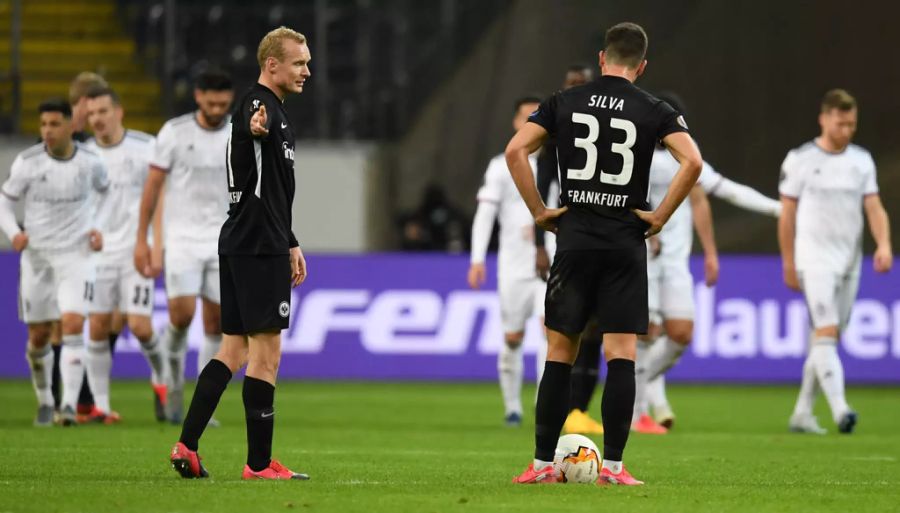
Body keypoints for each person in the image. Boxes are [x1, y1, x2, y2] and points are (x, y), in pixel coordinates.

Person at [505, 22, 702, 485]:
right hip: (624, 244)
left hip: (574, 239)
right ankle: (614, 466)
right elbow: (692, 161)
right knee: (621, 354)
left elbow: (516, 151)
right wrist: (659, 217)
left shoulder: (564, 101)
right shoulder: (655, 109)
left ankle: (540, 466)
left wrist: (539, 210)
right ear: (643, 64)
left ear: (601, 59)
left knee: (559, 351)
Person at [168, 26, 311, 480]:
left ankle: (186, 445)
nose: (307, 70)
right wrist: (255, 126)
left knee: (232, 349)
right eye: (298, 63)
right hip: (257, 246)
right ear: (272, 65)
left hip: (243, 241)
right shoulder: (260, 105)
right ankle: (259, 464)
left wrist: (291, 239)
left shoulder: (276, 110)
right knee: (266, 354)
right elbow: (253, 122)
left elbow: (270, 189)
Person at [633, 92, 783, 433]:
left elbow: (723, 192)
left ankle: (638, 391)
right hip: (641, 257)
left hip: (675, 261)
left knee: (681, 334)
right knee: (645, 333)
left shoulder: (687, 157)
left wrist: (778, 209)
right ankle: (638, 413)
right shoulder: (634, 154)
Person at [779, 89, 892, 434]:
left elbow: (873, 206)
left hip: (849, 261)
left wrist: (884, 244)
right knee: (826, 331)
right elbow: (787, 215)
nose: (846, 130)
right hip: (813, 259)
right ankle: (841, 410)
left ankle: (801, 413)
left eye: (852, 124)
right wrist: (788, 261)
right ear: (824, 118)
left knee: (826, 338)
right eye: (841, 123)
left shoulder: (861, 160)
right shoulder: (799, 159)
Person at [0, 99, 110, 426]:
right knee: (38, 337)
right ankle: (45, 400)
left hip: (77, 255)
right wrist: (13, 232)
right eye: (43, 124)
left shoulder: (91, 161)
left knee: (74, 325)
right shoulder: (28, 163)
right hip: (38, 258)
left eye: (54, 124)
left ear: (69, 126)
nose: (47, 131)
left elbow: (106, 193)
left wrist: (98, 227)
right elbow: (4, 202)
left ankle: (67, 406)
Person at [134, 69, 234, 423]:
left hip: (223, 240)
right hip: (181, 240)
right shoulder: (174, 133)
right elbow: (152, 188)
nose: (217, 108)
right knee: (181, 315)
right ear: (198, 97)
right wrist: (142, 240)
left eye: (224, 103)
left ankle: (200, 406)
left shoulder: (239, 134)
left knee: (217, 322)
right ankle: (169, 382)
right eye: (212, 102)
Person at [85, 86, 169, 422]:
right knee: (98, 326)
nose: (97, 119)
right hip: (100, 253)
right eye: (91, 114)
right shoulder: (85, 154)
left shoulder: (146, 147)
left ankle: (163, 378)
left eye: (103, 112)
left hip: (138, 248)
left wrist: (155, 243)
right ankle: (102, 407)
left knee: (140, 326)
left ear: (119, 112)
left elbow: (162, 197)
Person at [468, 95, 546, 427]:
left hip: (551, 264)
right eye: (525, 117)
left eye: (537, 118)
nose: (531, 124)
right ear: (516, 123)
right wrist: (477, 258)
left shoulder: (560, 164)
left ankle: (547, 406)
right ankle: (513, 407)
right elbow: (485, 215)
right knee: (513, 337)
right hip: (513, 265)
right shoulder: (501, 166)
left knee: (551, 333)